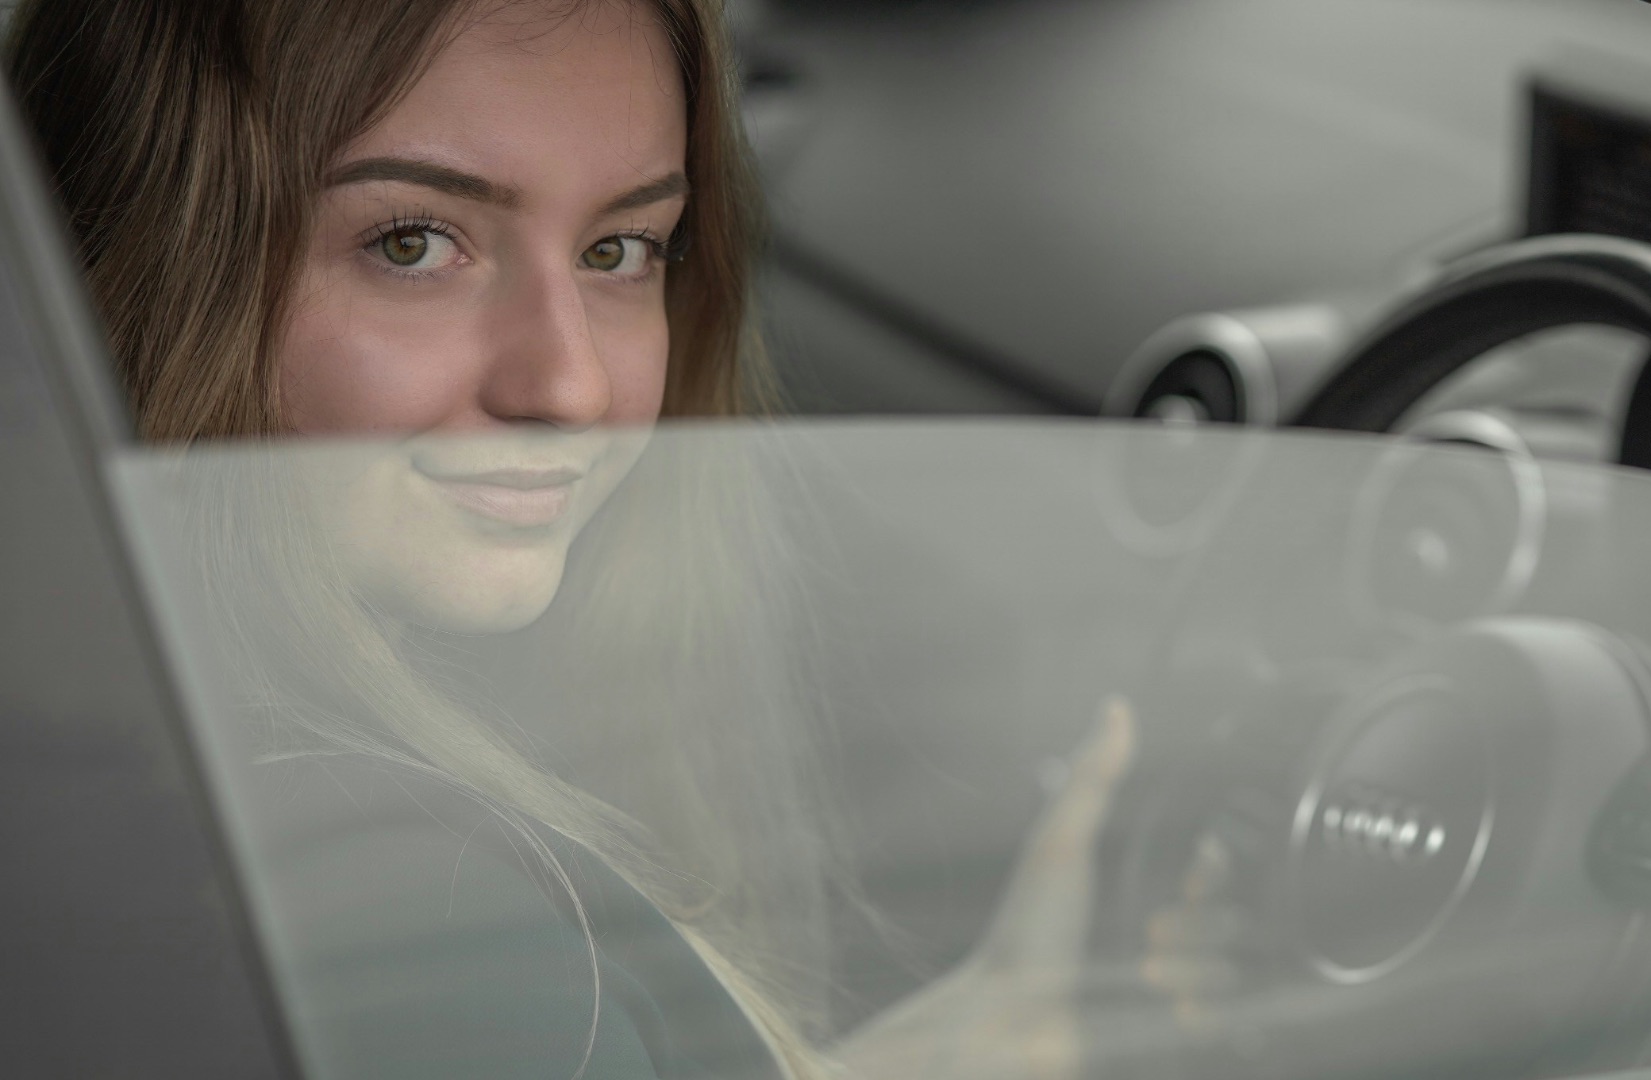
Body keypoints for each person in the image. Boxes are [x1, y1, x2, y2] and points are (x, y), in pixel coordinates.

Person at [3, 0, 1136, 1077]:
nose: (572, 384)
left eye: (621, 251)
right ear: (142, 264)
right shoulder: (415, 923)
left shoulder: (131, 806)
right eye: (412, 244)